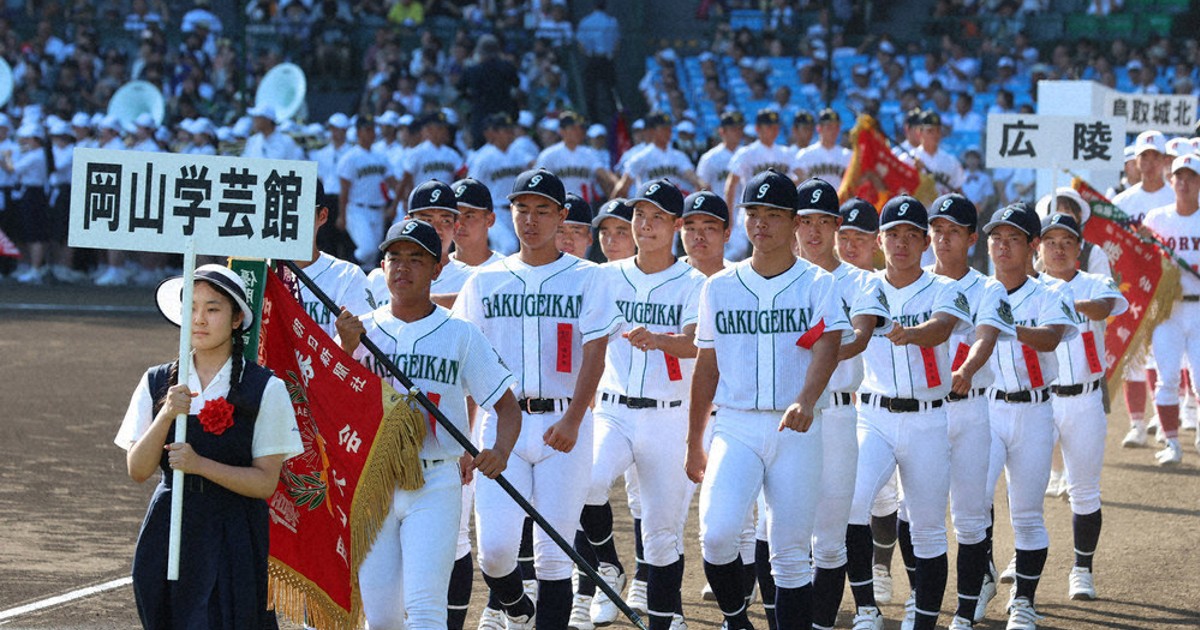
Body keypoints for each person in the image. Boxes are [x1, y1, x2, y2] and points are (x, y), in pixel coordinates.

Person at [453, 168, 622, 629]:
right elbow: (465, 363)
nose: (531, 219)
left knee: (553, 556)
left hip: (563, 424)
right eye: (522, 209)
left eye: (543, 210)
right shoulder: (484, 282)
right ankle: (518, 609)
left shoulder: (589, 278)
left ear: (562, 216)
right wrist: (467, 439)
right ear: (509, 214)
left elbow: (596, 352)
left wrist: (574, 417)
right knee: (496, 551)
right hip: (499, 423)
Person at [335, 219, 522, 629]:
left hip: (435, 482)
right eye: (393, 258)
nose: (402, 268)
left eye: (416, 259)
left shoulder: (459, 333)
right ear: (381, 267)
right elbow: (328, 407)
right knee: (381, 619)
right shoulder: (359, 331)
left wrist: (501, 451)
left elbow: (507, 407)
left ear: (438, 268)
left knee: (424, 610)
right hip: (374, 482)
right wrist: (345, 352)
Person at [686, 168, 848, 630]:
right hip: (735, 424)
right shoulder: (719, 286)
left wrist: (807, 399)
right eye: (753, 213)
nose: (760, 222)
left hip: (794, 427)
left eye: (772, 214)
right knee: (716, 538)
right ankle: (737, 620)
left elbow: (828, 346)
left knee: (791, 555)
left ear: (794, 221)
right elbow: (706, 367)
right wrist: (693, 440)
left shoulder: (818, 284)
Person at [116, 264, 303, 629]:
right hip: (170, 524)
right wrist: (166, 415)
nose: (199, 319)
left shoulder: (265, 387)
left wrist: (200, 464)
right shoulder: (157, 381)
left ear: (236, 320)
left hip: (234, 529)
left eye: (213, 308)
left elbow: (265, 482)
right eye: (192, 307)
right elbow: (137, 470)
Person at [580, 179, 704, 630]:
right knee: (586, 485)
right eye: (639, 216)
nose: (645, 225)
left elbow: (695, 345)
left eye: (656, 217)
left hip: (667, 414)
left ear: (675, 225)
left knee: (661, 533)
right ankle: (608, 565)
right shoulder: (605, 275)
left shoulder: (693, 281)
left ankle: (666, 618)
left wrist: (661, 341)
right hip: (613, 408)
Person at [844, 195, 972, 630]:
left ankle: (924, 619)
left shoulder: (946, 287)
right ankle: (865, 608)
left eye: (911, 235)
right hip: (874, 413)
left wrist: (909, 333)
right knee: (851, 505)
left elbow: (941, 329)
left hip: (929, 416)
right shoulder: (864, 286)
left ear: (925, 242)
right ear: (879, 240)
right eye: (892, 234)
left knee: (928, 527)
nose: (901, 243)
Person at [978, 203, 1075, 629]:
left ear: (1032, 246)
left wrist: (1006, 326)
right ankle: (980, 578)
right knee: (974, 504)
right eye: (996, 237)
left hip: (1035, 409)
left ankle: (1024, 600)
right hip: (985, 407)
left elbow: (1052, 339)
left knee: (1028, 512)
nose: (1002, 245)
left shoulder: (1052, 292)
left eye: (1014, 238)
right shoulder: (976, 289)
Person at [923, 194, 1015, 630]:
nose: (943, 238)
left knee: (970, 515)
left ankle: (965, 608)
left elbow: (986, 335)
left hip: (971, 408)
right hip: (920, 412)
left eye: (953, 231)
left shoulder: (987, 287)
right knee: (913, 513)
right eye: (937, 230)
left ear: (971, 238)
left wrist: (967, 368)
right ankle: (920, 603)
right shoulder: (914, 281)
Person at [792, 179, 876, 630]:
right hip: (784, 412)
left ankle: (824, 622)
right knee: (781, 533)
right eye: (805, 221)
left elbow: (859, 337)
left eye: (825, 222)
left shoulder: (861, 280)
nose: (814, 231)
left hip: (839, 411)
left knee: (829, 538)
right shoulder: (778, 279)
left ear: (838, 227)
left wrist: (814, 347)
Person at [1038, 212, 1127, 601]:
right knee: (1027, 488)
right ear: (1038, 248)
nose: (1058, 249)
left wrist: (1068, 300)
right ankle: (1021, 561)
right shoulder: (1028, 286)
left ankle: (1082, 568)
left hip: (1085, 398)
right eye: (1050, 242)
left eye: (1066, 242)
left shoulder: (1094, 281)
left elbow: (1106, 306)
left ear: (1079, 249)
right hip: (1039, 398)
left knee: (1084, 490)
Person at [1114, 131, 1175, 449]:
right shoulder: (1123, 202)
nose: (1149, 163)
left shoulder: (1177, 197)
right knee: (1134, 359)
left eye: (1155, 156)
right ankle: (1137, 423)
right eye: (1144, 157)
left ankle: (1167, 427)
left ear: (1166, 161)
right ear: (1135, 162)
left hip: (1169, 291)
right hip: (1134, 289)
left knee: (1167, 359)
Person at [1141, 154, 1200, 464]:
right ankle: (1173, 444)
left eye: (1191, 177)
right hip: (1168, 311)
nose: (1184, 182)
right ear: (1171, 179)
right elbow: (1141, 256)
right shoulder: (1157, 218)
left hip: (1199, 309)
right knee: (1168, 378)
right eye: (1179, 176)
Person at [294, 180, 376, 340]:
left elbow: (363, 350)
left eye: (300, 211)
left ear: (322, 216)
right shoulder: (258, 272)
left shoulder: (348, 276)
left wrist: (346, 345)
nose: (291, 220)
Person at [724, 110, 803, 261]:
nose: (773, 130)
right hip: (751, 212)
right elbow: (731, 184)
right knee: (744, 252)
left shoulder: (785, 152)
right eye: (768, 126)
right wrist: (729, 216)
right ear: (758, 129)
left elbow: (801, 177)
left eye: (775, 126)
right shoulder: (747, 152)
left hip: (778, 212)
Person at [466, 113, 532, 255]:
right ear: (494, 133)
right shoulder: (483, 157)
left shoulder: (518, 153)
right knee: (508, 246)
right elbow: (470, 186)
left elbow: (535, 166)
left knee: (516, 250)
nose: (510, 134)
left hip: (516, 210)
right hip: (494, 211)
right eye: (505, 130)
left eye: (511, 130)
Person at [338, 115, 397, 268]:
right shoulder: (350, 157)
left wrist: (398, 202)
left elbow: (392, 181)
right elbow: (344, 190)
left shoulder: (380, 156)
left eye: (372, 130)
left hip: (378, 210)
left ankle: (366, 287)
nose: (371, 133)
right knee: (366, 249)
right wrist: (342, 215)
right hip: (357, 209)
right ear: (358, 132)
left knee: (373, 255)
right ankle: (347, 268)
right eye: (367, 130)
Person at [536, 111, 616, 203]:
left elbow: (605, 175)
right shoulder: (549, 155)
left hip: (583, 207)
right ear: (562, 131)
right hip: (558, 207)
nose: (579, 131)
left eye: (580, 128)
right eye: (573, 128)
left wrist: (619, 186)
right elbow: (539, 182)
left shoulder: (589, 153)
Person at [576, 0, 620, 122]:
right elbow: (617, 44)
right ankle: (615, 118)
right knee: (611, 91)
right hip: (606, 59)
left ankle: (593, 119)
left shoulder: (585, 22)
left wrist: (588, 55)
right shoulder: (612, 22)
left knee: (591, 92)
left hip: (592, 59)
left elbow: (580, 45)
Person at [794, 109, 851, 190]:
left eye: (836, 127)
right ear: (819, 128)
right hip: (813, 200)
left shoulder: (848, 155)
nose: (833, 131)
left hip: (839, 201)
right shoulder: (805, 154)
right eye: (829, 127)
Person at [680, 191, 733, 277]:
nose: (699, 236)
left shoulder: (742, 280)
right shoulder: (664, 279)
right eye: (691, 229)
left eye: (708, 228)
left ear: (726, 234)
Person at [592, 197, 636, 262]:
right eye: (605, 233)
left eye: (620, 233)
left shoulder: (653, 271)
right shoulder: (591, 271)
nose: (611, 242)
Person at [555, 192, 595, 259]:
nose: (567, 240)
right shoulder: (533, 269)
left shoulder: (598, 269)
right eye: (560, 231)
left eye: (576, 232)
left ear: (589, 238)